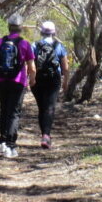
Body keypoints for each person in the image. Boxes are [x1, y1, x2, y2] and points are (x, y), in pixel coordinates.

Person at [0, 14, 35, 158]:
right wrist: (32, 80)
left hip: (1, 81)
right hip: (18, 82)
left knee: (4, 109)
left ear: (8, 27)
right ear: (21, 28)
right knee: (14, 112)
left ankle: (2, 141)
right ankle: (10, 145)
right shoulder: (25, 44)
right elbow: (31, 66)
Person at [30, 20, 68, 150]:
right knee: (50, 107)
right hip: (54, 79)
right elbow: (65, 67)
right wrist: (66, 81)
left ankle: (44, 135)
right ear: (54, 33)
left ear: (41, 32)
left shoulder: (34, 45)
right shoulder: (59, 46)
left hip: (38, 79)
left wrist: (31, 79)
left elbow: (30, 64)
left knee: (42, 107)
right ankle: (46, 135)